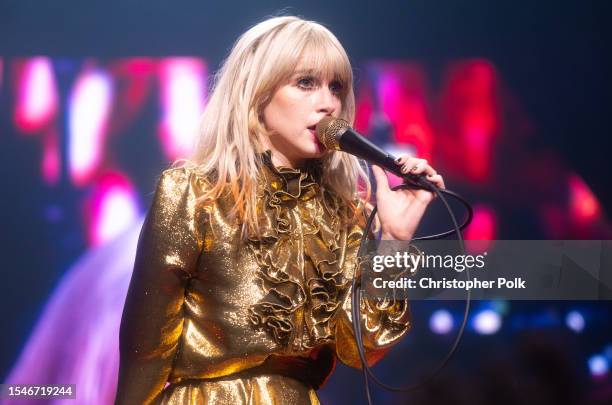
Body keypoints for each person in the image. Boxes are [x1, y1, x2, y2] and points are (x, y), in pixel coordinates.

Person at [114, 15, 445, 405]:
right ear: (257, 93)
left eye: (336, 87)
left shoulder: (344, 215)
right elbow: (146, 348)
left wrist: (392, 242)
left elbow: (363, 349)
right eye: (306, 83)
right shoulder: (195, 194)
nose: (328, 103)